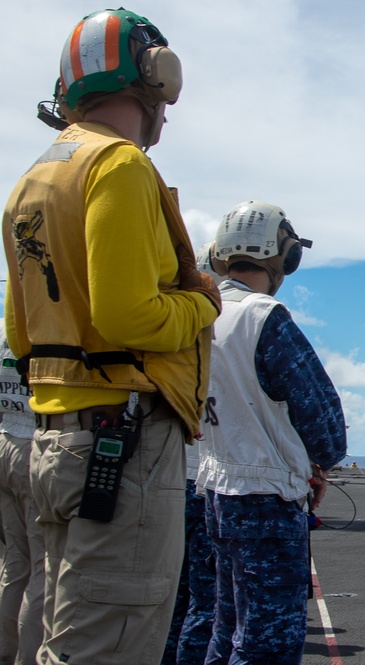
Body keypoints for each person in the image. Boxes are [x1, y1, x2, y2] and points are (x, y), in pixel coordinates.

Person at [1, 8, 220, 664]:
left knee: (64, 638)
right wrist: (199, 305)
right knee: (108, 646)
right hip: (122, 448)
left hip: (56, 442)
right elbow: (130, 318)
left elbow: (21, 336)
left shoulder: (30, 183)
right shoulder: (118, 165)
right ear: (150, 79)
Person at [197, 201, 347, 664]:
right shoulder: (264, 315)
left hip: (216, 492)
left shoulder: (199, 314)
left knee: (224, 632)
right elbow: (324, 422)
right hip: (266, 502)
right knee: (268, 644)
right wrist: (320, 461)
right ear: (281, 254)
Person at [161, 245, 223, 665]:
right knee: (207, 602)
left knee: (170, 600)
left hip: (168, 483)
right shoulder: (223, 337)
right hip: (202, 486)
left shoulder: (170, 335)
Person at [0, 328, 43, 665]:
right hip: (33, 441)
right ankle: (28, 658)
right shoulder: (45, 324)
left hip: (4, 437)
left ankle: (5, 651)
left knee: (15, 563)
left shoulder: (4, 328)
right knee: (42, 570)